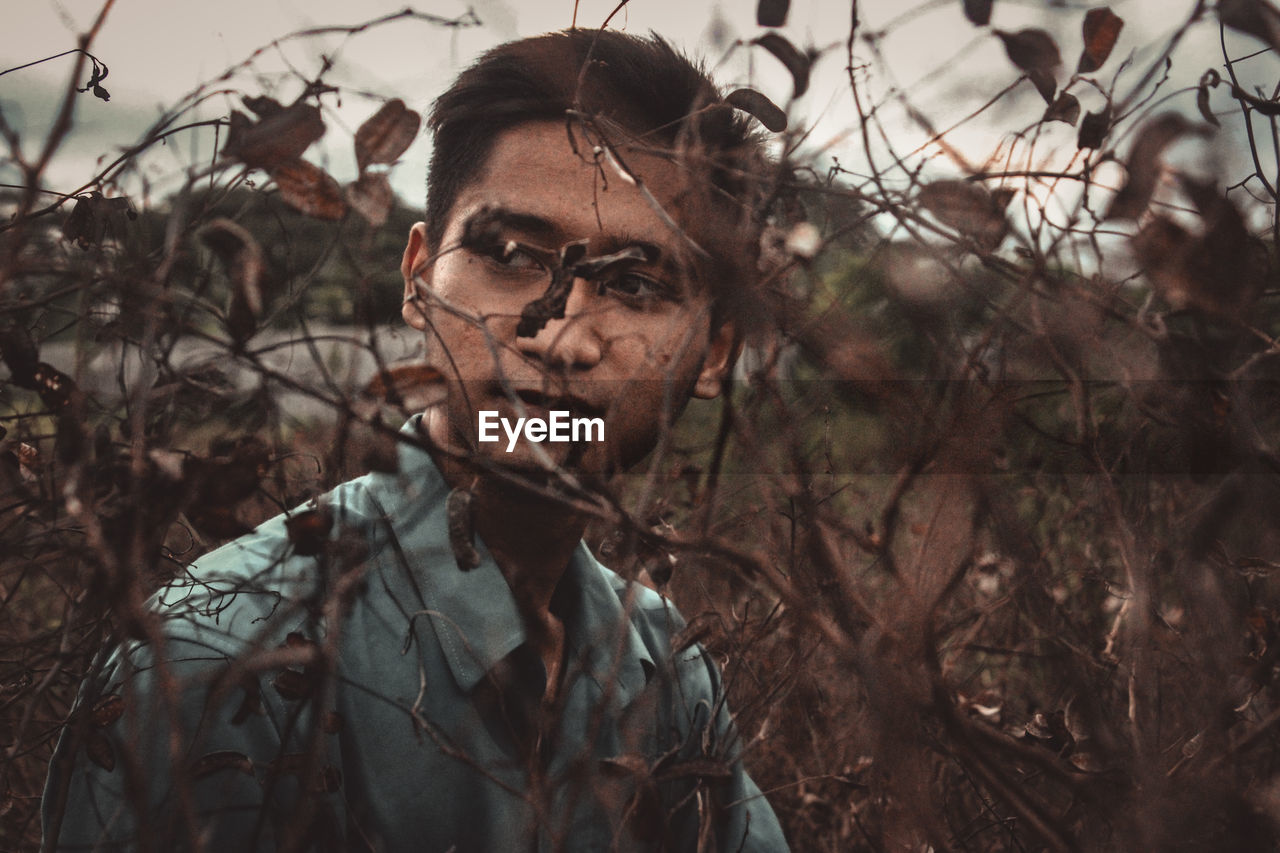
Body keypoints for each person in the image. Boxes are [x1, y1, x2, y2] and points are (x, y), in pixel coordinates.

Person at [42, 28, 788, 852]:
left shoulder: (668, 674)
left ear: (717, 351)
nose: (560, 338)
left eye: (634, 283)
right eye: (510, 255)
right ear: (419, 278)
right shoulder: (215, 665)